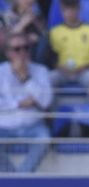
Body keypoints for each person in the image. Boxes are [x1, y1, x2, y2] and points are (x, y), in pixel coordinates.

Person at [0, 32, 53, 173]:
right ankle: (17, 178)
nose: (22, 52)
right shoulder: (1, 72)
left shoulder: (41, 71)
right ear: (8, 53)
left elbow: (46, 101)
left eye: (26, 48)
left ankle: (20, 177)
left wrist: (26, 78)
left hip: (33, 125)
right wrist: (18, 104)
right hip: (4, 126)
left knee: (45, 139)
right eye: (17, 49)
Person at [49, 0, 89, 102]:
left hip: (84, 71)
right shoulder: (55, 32)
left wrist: (85, 67)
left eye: (73, 9)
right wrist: (60, 67)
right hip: (63, 71)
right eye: (66, 10)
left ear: (79, 9)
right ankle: (51, 110)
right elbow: (52, 58)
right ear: (62, 11)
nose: (70, 13)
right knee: (50, 79)